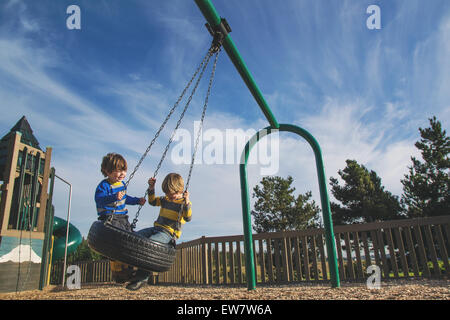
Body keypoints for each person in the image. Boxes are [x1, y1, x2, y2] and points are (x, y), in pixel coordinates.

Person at [126, 173, 192, 291]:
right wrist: (151, 188)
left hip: (167, 233)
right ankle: (128, 270)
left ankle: (142, 277)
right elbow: (152, 202)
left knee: (150, 245)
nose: (170, 197)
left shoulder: (183, 203)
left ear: (181, 190)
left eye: (174, 194)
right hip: (156, 228)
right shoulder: (165, 199)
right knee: (135, 237)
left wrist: (187, 201)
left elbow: (188, 218)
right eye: (168, 194)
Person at [95, 153, 146, 283]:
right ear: (107, 171)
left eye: (124, 170)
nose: (122, 174)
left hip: (123, 217)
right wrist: (113, 197)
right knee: (119, 241)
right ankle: (118, 272)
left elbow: (125, 198)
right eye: (119, 171)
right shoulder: (104, 186)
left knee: (130, 239)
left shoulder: (122, 184)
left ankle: (130, 270)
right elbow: (99, 200)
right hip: (110, 218)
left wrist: (136, 201)